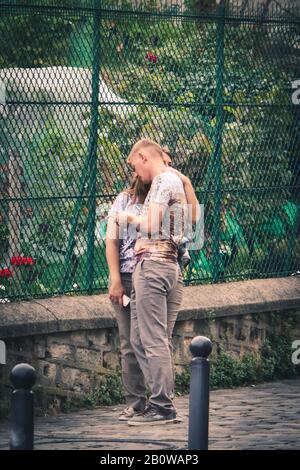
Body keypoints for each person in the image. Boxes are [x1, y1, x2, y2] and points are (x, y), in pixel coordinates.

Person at [106, 144, 199, 423]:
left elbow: (185, 222)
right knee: (137, 340)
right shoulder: (132, 196)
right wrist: (115, 278)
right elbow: (111, 239)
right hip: (149, 270)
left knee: (153, 340)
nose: (135, 174)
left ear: (144, 159)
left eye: (135, 166)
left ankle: (161, 405)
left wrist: (129, 219)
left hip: (154, 268)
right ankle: (153, 401)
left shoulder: (163, 183)